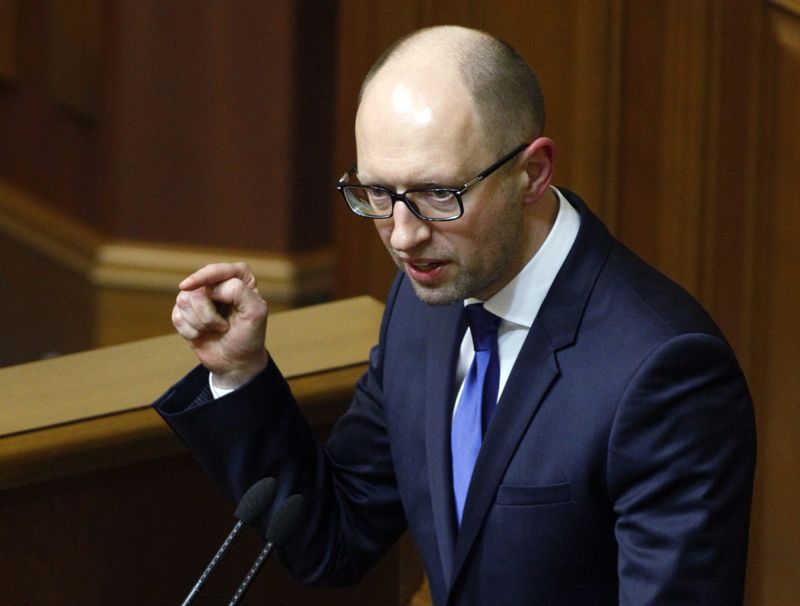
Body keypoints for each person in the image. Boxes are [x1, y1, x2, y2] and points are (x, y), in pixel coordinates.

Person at [155, 25, 756, 605]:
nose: (403, 235)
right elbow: (334, 537)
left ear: (533, 173)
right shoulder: (425, 307)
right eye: (377, 195)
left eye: (439, 194)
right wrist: (240, 372)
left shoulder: (665, 370)